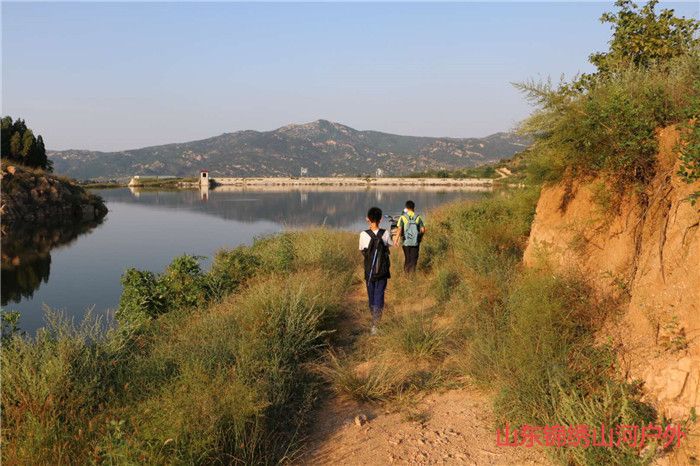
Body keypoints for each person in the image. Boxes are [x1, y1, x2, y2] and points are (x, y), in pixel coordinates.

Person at [359, 206, 392, 335]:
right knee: (380, 295)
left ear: (368, 219)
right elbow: (389, 245)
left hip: (369, 271)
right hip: (382, 271)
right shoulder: (385, 233)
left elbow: (362, 250)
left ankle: (374, 319)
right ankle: (376, 324)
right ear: (381, 219)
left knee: (371, 296)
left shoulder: (363, 234)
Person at [394, 200, 426, 273]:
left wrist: (396, 240)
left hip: (405, 242)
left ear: (406, 208)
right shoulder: (418, 217)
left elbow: (399, 229)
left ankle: (406, 275)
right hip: (415, 242)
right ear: (414, 208)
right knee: (414, 259)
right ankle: (412, 275)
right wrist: (420, 238)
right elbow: (423, 230)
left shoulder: (402, 217)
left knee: (407, 258)